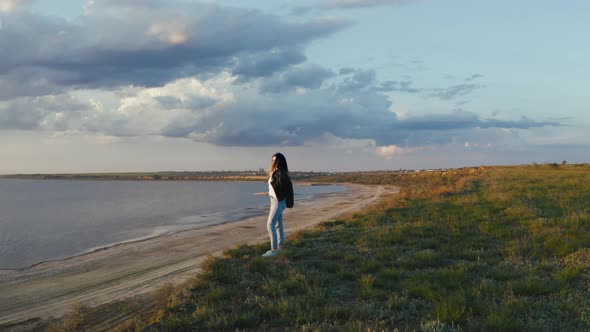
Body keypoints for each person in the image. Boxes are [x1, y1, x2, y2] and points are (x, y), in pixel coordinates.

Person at [263, 152, 293, 257]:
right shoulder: (276, 172)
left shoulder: (280, 173)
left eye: (275, 160)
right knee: (277, 224)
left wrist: (283, 200)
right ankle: (280, 246)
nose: (273, 162)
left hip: (278, 201)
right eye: (272, 160)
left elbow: (286, 188)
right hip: (274, 200)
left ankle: (274, 250)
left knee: (270, 224)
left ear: (280, 161)